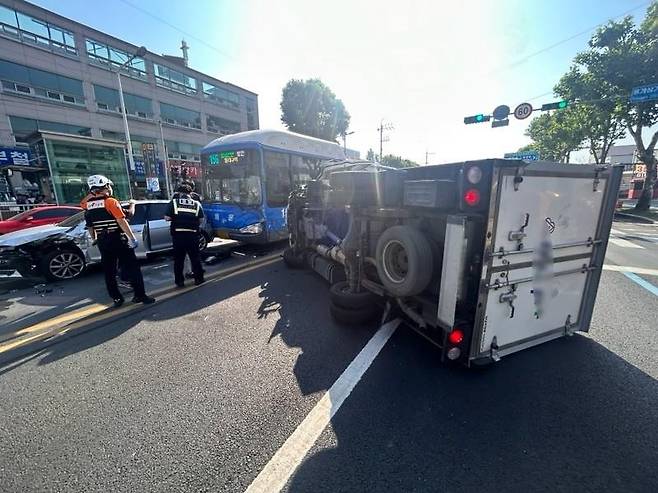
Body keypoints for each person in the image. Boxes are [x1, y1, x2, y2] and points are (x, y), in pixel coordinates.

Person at [82, 175, 155, 307]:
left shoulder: (88, 206)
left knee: (109, 271)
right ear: (106, 187)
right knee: (133, 268)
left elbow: (91, 227)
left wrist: (95, 239)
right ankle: (140, 295)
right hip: (117, 239)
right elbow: (121, 221)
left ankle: (116, 299)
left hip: (103, 242)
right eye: (109, 186)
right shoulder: (110, 202)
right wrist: (132, 238)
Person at [165, 182, 205, 287]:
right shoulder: (196, 204)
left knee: (178, 260)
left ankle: (179, 281)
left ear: (179, 193)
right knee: (195, 258)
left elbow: (167, 218)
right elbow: (201, 220)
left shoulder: (174, 203)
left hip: (178, 236)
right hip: (192, 236)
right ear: (190, 193)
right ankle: (199, 279)